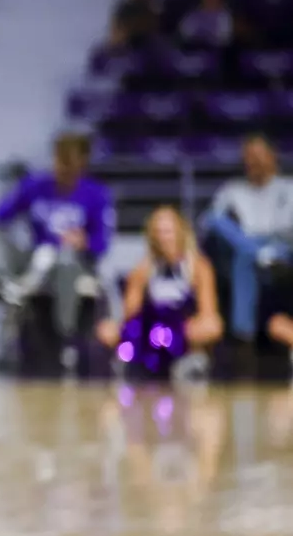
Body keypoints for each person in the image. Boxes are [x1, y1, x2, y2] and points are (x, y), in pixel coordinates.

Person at [0, 133, 114, 354]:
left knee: (62, 256)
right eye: (59, 160)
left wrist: (84, 241)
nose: (63, 167)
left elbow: (102, 244)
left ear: (82, 163)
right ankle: (3, 286)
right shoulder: (35, 185)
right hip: (34, 259)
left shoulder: (96, 194)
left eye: (69, 161)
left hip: (71, 263)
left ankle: (66, 335)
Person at [96, 206, 221, 381]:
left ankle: (185, 358)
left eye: (168, 231)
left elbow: (208, 313)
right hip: (152, 328)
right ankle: (136, 360)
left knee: (212, 326)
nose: (164, 237)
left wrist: (182, 329)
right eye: (158, 232)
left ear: (180, 232)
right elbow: (130, 311)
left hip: (182, 327)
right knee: (107, 331)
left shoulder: (198, 266)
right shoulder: (143, 268)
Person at [200, 133, 293, 341]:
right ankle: (244, 335)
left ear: (272, 156)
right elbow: (209, 223)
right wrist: (251, 246)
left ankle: (243, 334)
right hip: (245, 245)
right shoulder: (233, 190)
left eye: (260, 155)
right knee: (219, 224)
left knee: (246, 254)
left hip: (284, 247)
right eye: (250, 156)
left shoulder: (289, 187)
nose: (255, 160)